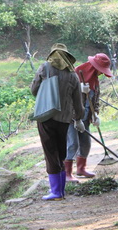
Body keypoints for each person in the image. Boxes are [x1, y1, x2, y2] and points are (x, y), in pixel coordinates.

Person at [30, 43, 85, 201]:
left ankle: (55, 192)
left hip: (46, 116)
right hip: (64, 119)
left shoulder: (45, 68)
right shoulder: (72, 74)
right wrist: (79, 119)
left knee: (50, 153)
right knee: (61, 152)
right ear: (67, 57)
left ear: (53, 54)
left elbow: (34, 90)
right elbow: (78, 102)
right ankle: (60, 191)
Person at [64, 53, 113, 181]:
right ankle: (66, 173)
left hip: (85, 118)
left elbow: (95, 99)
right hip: (71, 118)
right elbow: (66, 98)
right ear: (93, 67)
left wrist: (95, 114)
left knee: (86, 143)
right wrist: (78, 89)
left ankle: (81, 169)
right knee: (73, 144)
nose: (101, 73)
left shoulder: (95, 80)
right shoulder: (75, 75)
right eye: (100, 70)